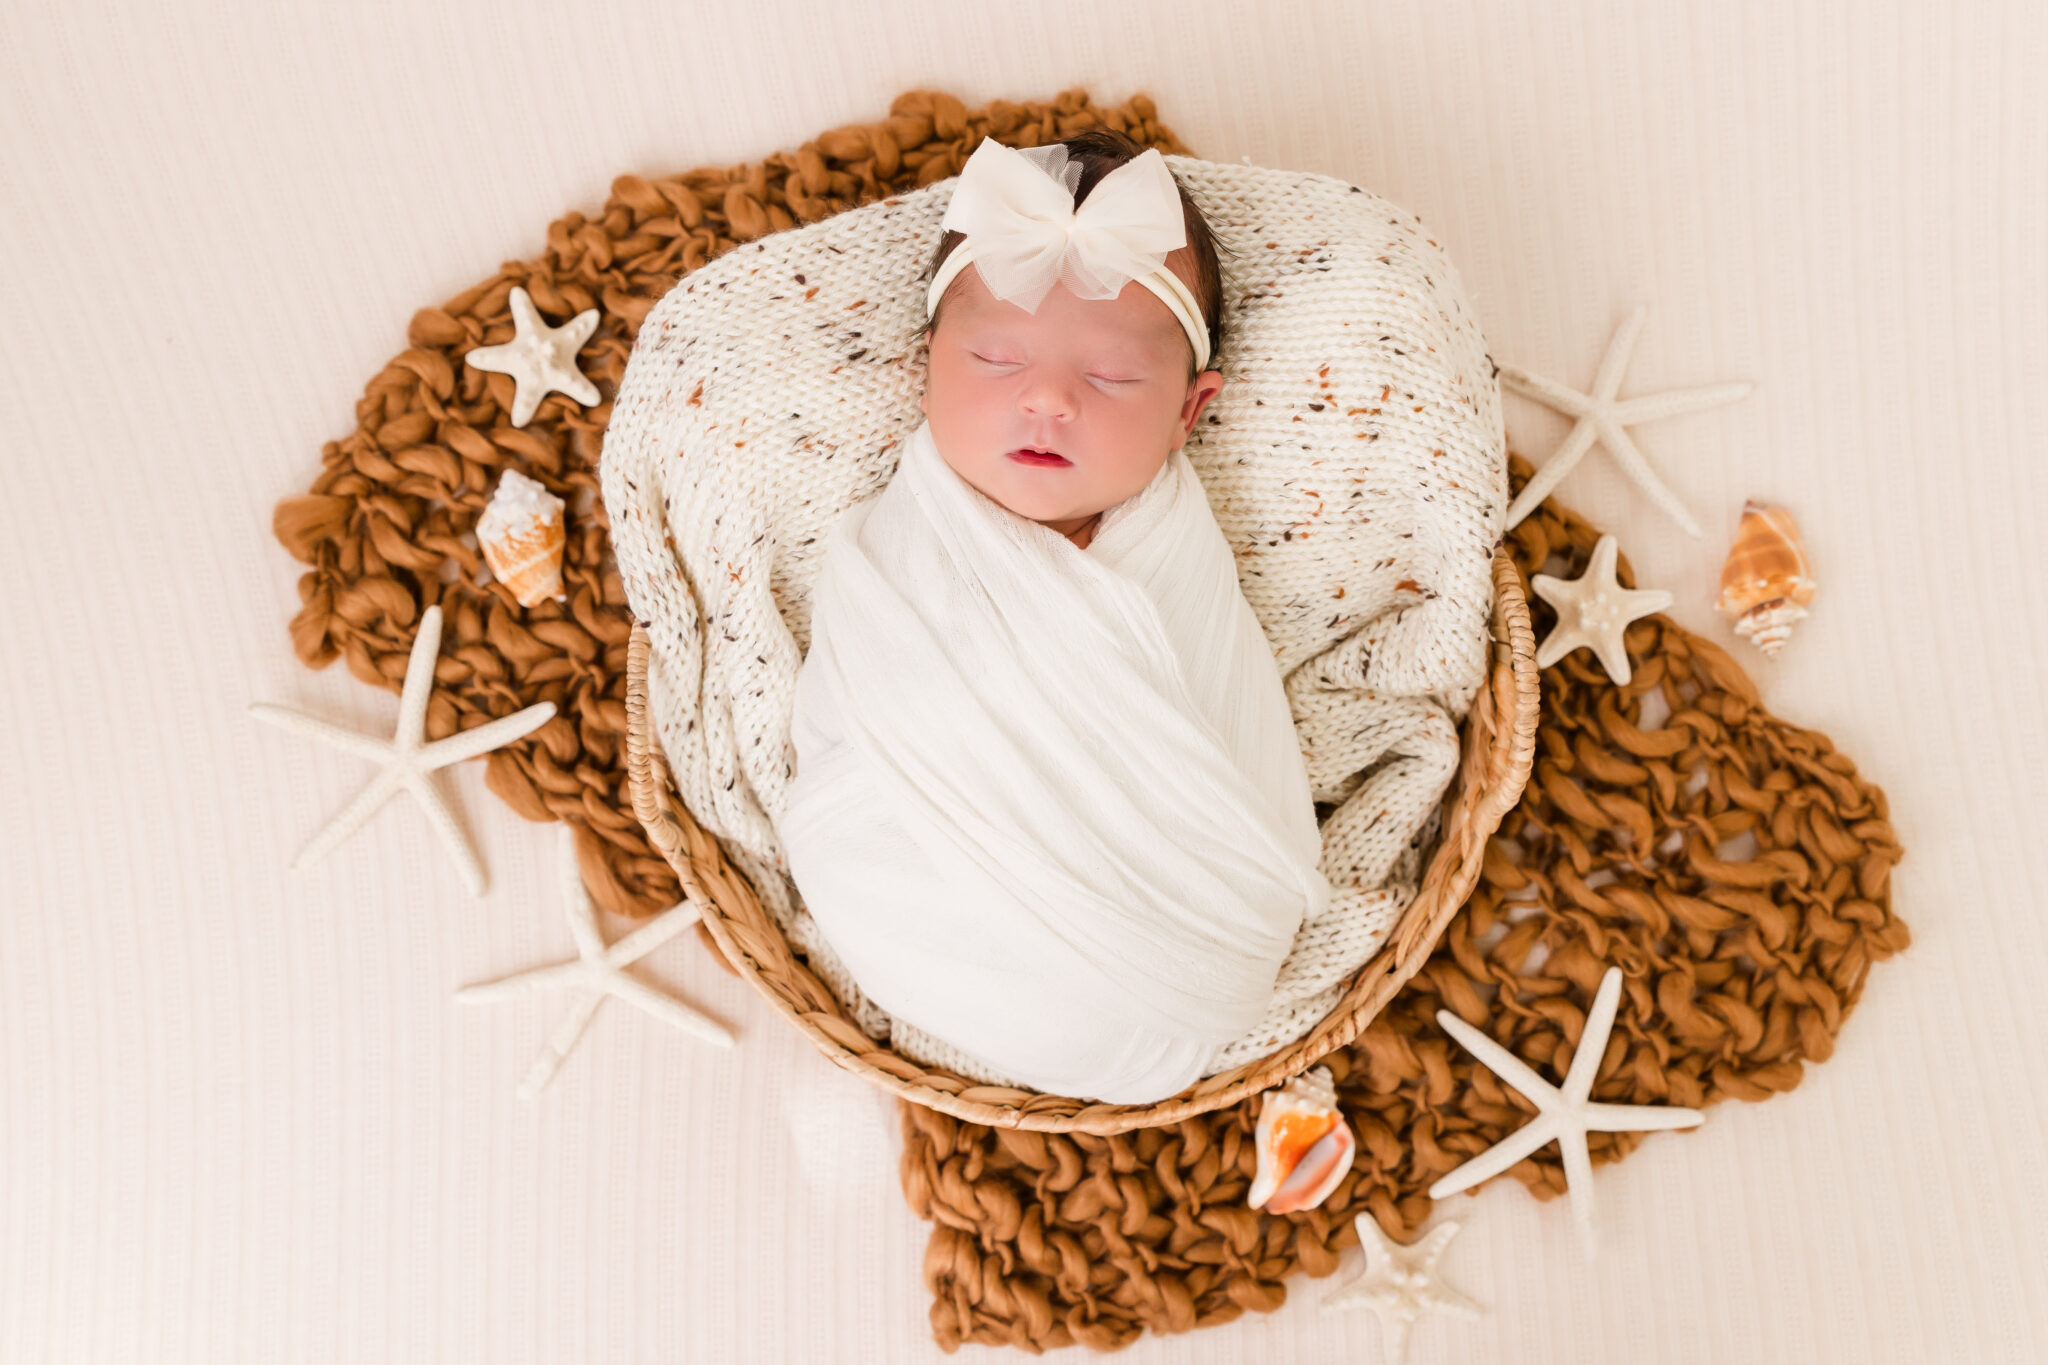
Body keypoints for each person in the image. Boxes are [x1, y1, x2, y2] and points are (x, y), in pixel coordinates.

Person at [778, 131, 1330, 1105]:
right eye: (993, 357)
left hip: (1182, 953)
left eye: (1112, 377)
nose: (1045, 399)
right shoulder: (895, 553)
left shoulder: (1175, 558)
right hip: (909, 912)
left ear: (1190, 413)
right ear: (923, 369)